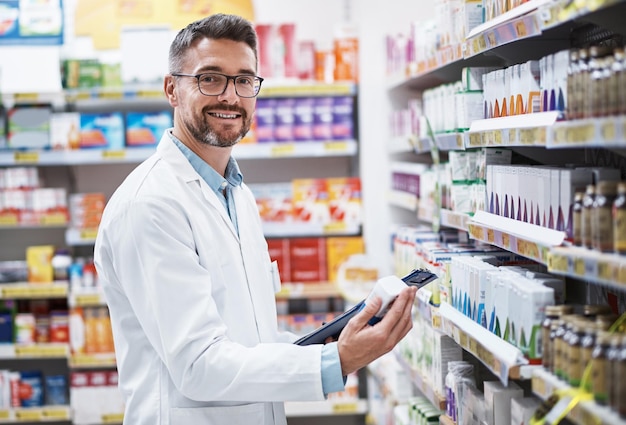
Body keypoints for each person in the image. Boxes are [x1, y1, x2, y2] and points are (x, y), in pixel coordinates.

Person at [94, 13, 417, 425]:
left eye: (245, 80)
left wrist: (329, 342)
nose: (231, 97)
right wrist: (334, 361)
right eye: (210, 78)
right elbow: (199, 365)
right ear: (172, 89)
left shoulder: (237, 194)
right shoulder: (149, 205)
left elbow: (249, 342)